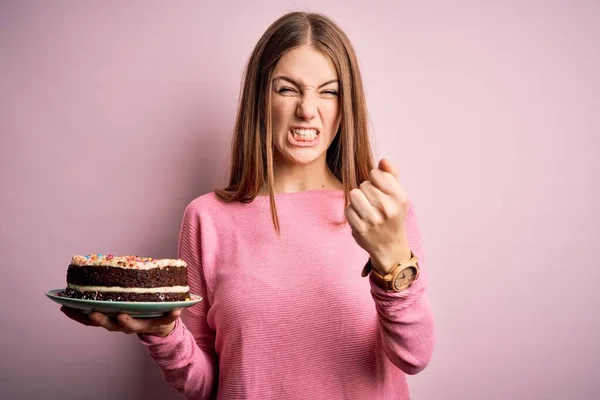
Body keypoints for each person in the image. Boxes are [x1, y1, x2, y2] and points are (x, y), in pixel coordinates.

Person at [61, 11, 435, 399]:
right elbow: (207, 384)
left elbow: (414, 355)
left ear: (346, 105)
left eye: (329, 91)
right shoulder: (206, 219)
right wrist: (163, 333)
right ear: (260, 98)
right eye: (287, 89)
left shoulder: (382, 214)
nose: (307, 109)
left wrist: (392, 257)